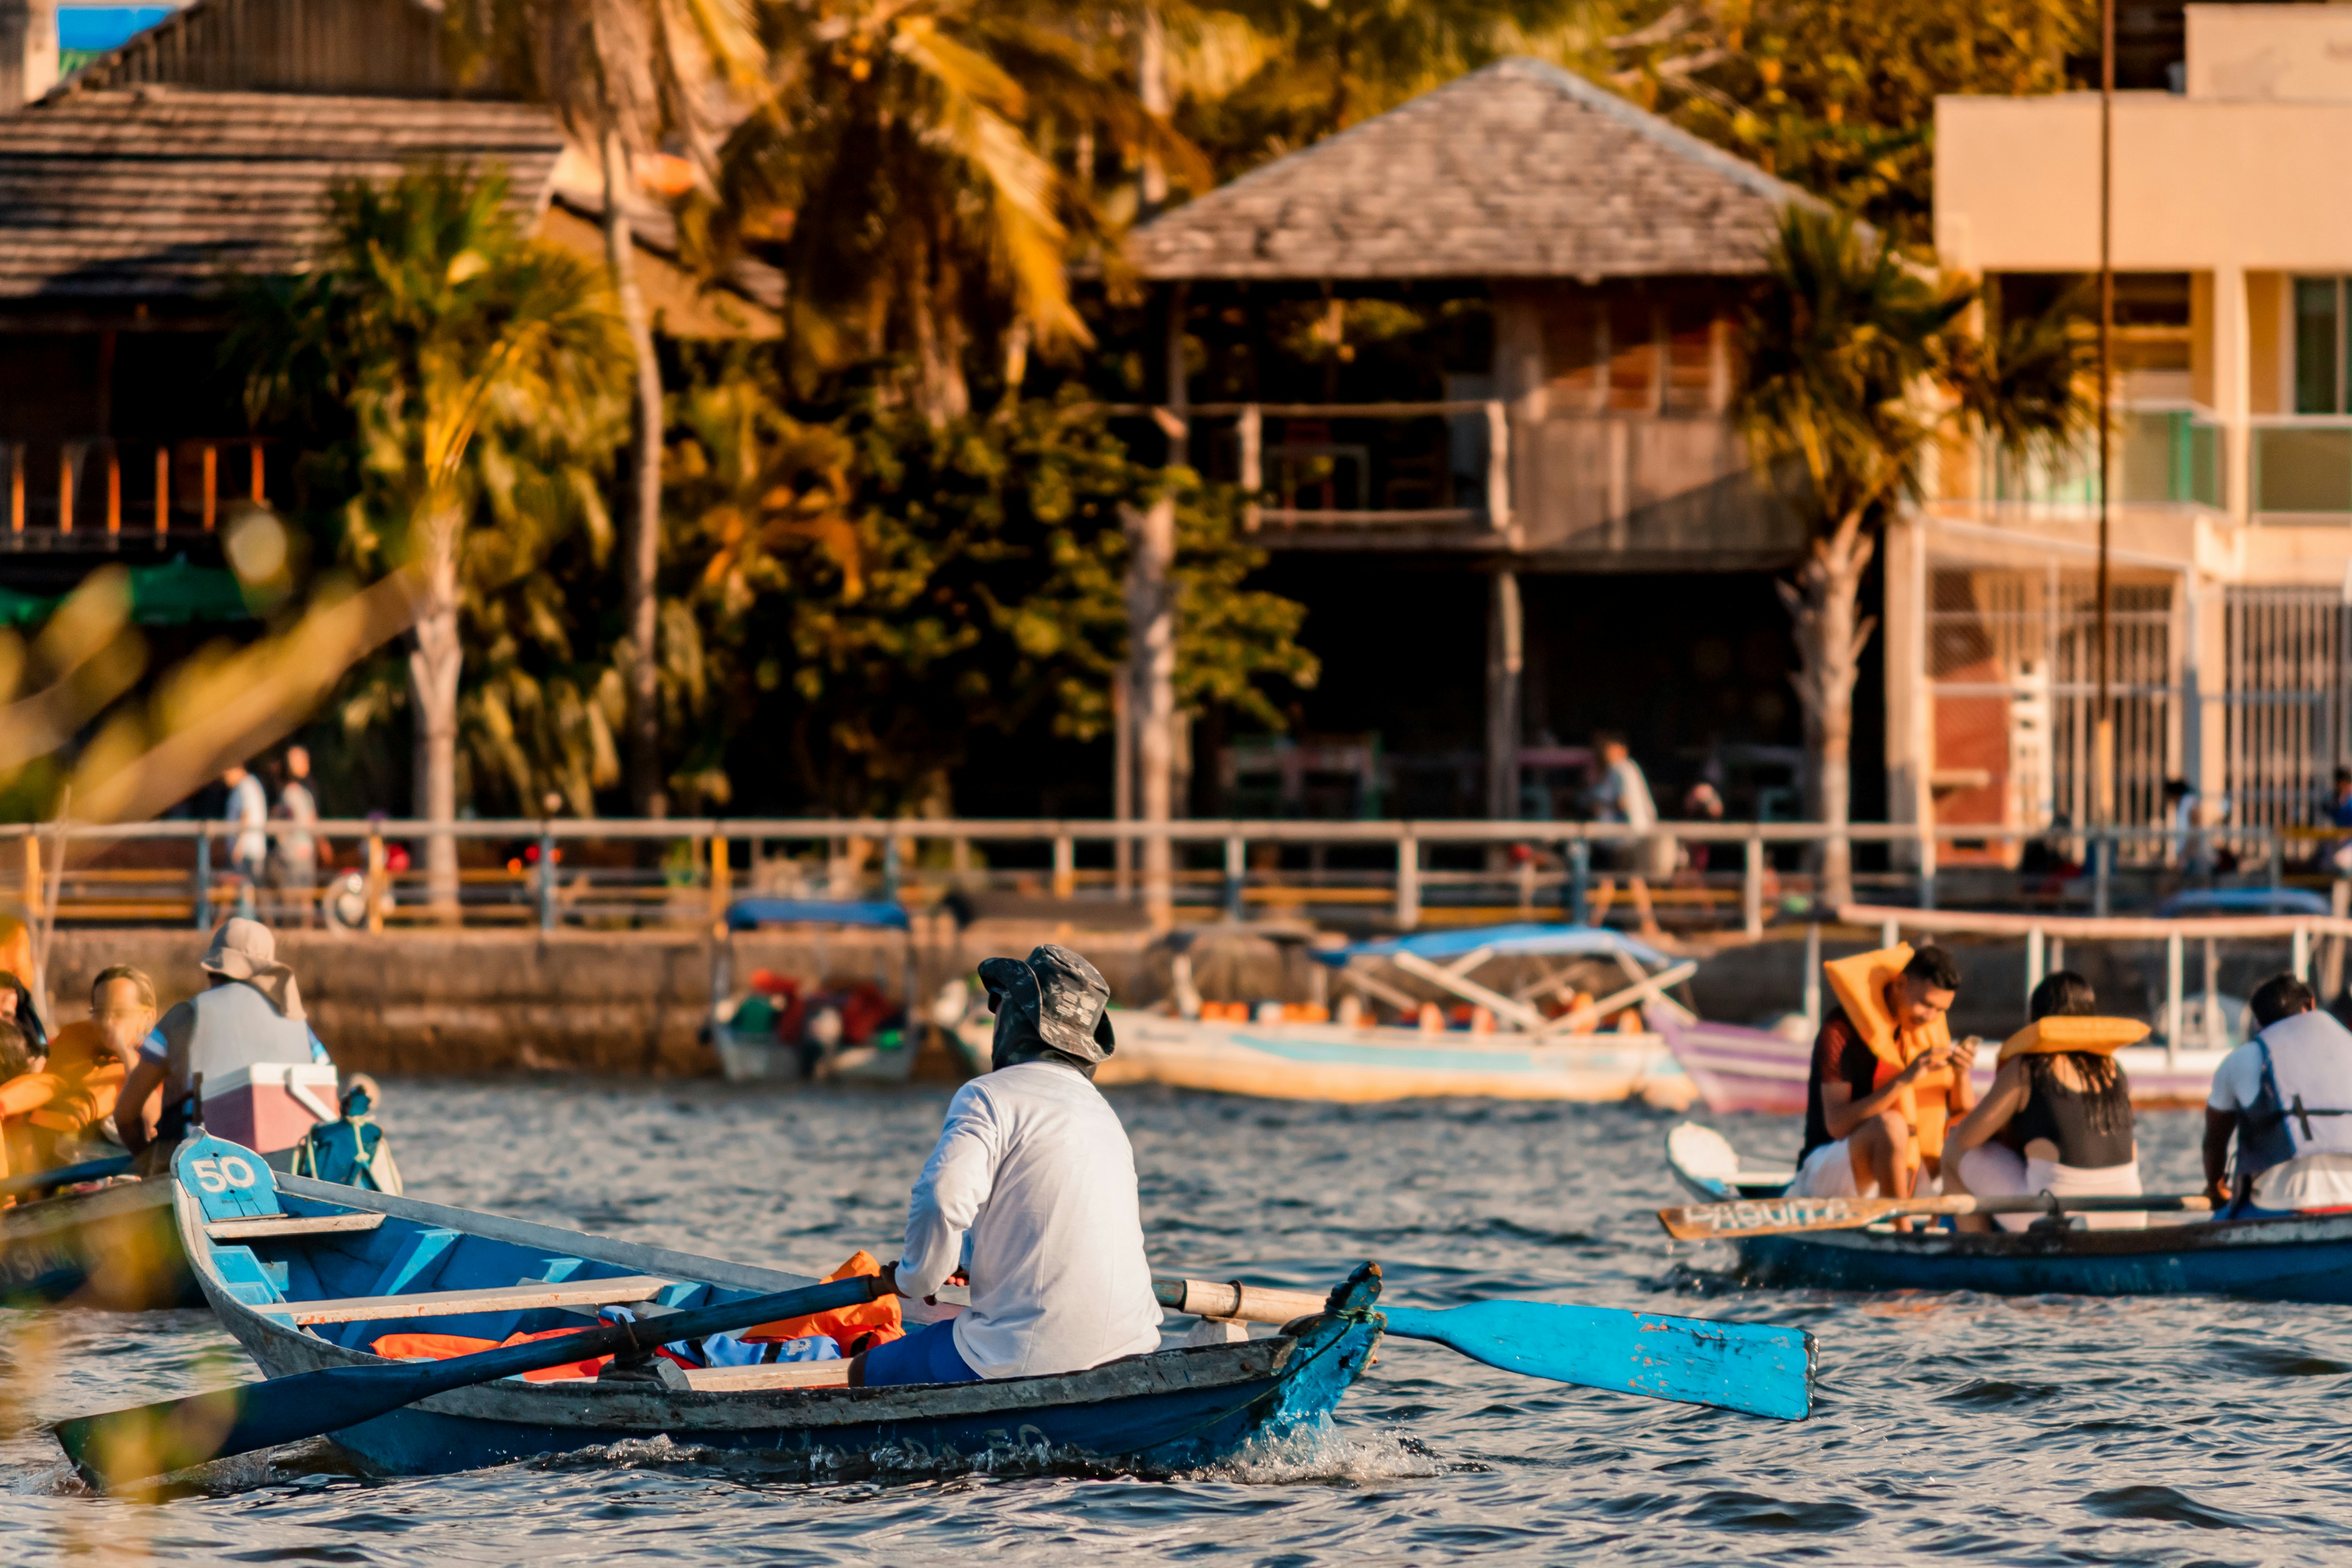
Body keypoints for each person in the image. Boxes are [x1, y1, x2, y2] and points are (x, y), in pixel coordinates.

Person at [849, 944, 1162, 1388]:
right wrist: (969, 1260)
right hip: (1133, 1350)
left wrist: (915, 1278)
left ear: (1017, 1020)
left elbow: (941, 1200)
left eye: (999, 1006)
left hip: (1025, 1358)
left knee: (862, 1372)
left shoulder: (989, 1095)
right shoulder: (1103, 1113)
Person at [115, 918, 330, 1172]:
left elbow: (126, 1114)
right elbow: (328, 1095)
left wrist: (148, 1159)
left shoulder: (184, 1017)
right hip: (292, 1169)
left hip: (198, 1172)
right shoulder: (300, 1025)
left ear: (212, 970)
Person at [1943, 971, 2147, 1232]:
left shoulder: (2028, 1068)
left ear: (2036, 1021)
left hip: (2057, 1218)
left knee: (1952, 1149)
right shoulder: (2113, 1070)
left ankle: (1980, 1254)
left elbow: (1967, 1139)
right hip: (2128, 1216)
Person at [1789, 943, 1978, 1202]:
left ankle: (1929, 1221)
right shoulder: (1840, 1031)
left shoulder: (1924, 1034)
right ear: (1900, 984)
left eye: (1940, 1010)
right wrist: (1902, 1081)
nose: (1930, 1017)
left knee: (1971, 1133)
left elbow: (1961, 1113)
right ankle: (1903, 1230)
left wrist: (1961, 1073)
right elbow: (1837, 1125)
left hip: (1901, 1173)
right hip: (1828, 1168)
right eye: (1925, 1004)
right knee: (1891, 1125)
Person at [2203, 973, 2352, 1218]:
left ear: (2259, 1021)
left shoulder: (2241, 1059)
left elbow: (2214, 1141)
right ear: (2310, 1005)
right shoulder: (2346, 1042)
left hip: (2280, 1205)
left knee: (2218, 1220)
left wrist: (2215, 1190)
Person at [0, 965, 157, 1175]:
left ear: (147, 1017)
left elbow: (150, 1120)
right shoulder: (75, 1043)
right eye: (100, 1013)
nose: (108, 1022)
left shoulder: (155, 1063)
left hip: (119, 1174)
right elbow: (32, 1112)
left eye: (119, 1013)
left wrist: (123, 1049)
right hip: (61, 1173)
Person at [1588, 734, 1665, 938]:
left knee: (1618, 881)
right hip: (1633, 833)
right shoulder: (1631, 769)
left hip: (1620, 837)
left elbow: (1622, 801)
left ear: (1621, 749)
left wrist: (1604, 806)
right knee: (1625, 881)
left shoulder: (1618, 769)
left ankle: (1594, 923)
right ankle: (1647, 924)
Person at [274, 746, 328, 927]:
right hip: (303, 848)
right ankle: (302, 928)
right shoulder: (300, 788)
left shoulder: (298, 789)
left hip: (297, 850)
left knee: (299, 893)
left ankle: (302, 929)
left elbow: (299, 816)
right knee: (300, 894)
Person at [223, 764, 270, 920]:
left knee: (247, 889)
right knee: (248, 889)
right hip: (249, 848)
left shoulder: (246, 786)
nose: (225, 779)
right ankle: (251, 922)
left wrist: (239, 845)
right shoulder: (247, 786)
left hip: (249, 850)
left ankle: (248, 922)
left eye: (227, 773)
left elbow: (246, 815)